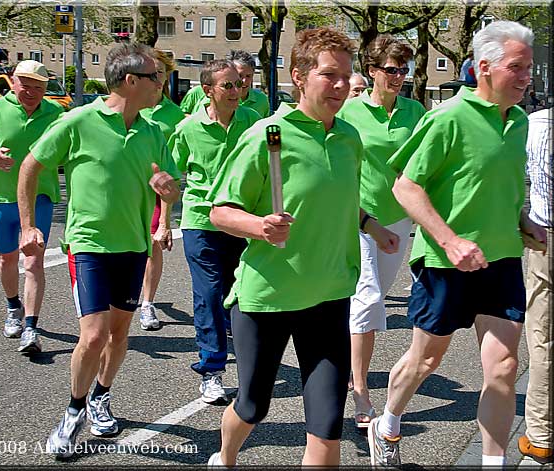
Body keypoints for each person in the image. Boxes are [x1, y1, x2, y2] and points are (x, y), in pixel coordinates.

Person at [205, 27, 398, 467]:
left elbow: (343, 202)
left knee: (327, 428)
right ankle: (226, 455)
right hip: (268, 299)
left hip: (329, 297)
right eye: (329, 75)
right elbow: (220, 211)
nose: (340, 85)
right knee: (253, 406)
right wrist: (259, 225)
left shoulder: (349, 137)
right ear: (299, 76)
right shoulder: (267, 135)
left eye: (346, 76)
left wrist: (371, 224)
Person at [367, 21, 546, 468]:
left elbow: (493, 187)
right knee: (426, 360)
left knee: (504, 368)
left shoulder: (519, 121)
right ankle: (387, 422)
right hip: (446, 263)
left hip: (502, 259)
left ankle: (492, 463)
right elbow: (406, 187)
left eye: (529, 68)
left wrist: (522, 220)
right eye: (516, 68)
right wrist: (449, 241)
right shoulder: (447, 117)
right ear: (483, 68)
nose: (527, 77)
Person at [16, 42, 181, 458]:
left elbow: (171, 184)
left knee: (119, 334)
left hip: (133, 247)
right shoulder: (78, 122)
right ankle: (73, 413)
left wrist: (167, 200)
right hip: (88, 245)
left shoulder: (153, 131)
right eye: (154, 77)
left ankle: (100, 396)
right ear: (130, 81)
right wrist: (29, 226)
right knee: (93, 336)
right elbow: (30, 166)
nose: (161, 84)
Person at [336, 35, 426, 429]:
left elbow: (424, 162)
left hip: (399, 219)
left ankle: (339, 357)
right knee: (368, 299)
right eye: (391, 69)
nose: (399, 76)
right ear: (372, 70)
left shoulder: (416, 111)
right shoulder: (350, 112)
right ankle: (360, 392)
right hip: (358, 217)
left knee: (369, 300)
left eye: (403, 69)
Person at [170, 59, 261, 405]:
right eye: (229, 85)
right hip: (201, 221)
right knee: (208, 293)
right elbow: (171, 175)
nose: (237, 91)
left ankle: (247, 357)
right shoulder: (188, 129)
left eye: (240, 84)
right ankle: (212, 369)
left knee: (240, 292)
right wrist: (163, 222)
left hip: (242, 220)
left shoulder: (254, 122)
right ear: (207, 90)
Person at [0, 60, 64, 354]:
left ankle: (31, 328)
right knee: (7, 259)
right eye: (26, 85)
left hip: (40, 198)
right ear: (12, 82)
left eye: (38, 87)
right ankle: (13, 307)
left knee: (33, 260)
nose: (31, 92)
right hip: (3, 197)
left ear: (45, 89)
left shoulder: (56, 113)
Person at [138, 49, 186, 331]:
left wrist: (167, 220)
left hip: (158, 191)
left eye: (161, 74)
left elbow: (175, 164)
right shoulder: (132, 105)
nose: (156, 79)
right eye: (152, 73)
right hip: (130, 187)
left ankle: (147, 303)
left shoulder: (175, 115)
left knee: (154, 244)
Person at [517, 107, 552, 464]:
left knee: (542, 337)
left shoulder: (534, 123)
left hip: (546, 236)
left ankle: (541, 434)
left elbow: (515, 176)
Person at [179, 50, 269, 117]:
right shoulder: (198, 92)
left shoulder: (261, 100)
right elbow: (180, 116)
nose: (244, 81)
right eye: (240, 76)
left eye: (248, 76)